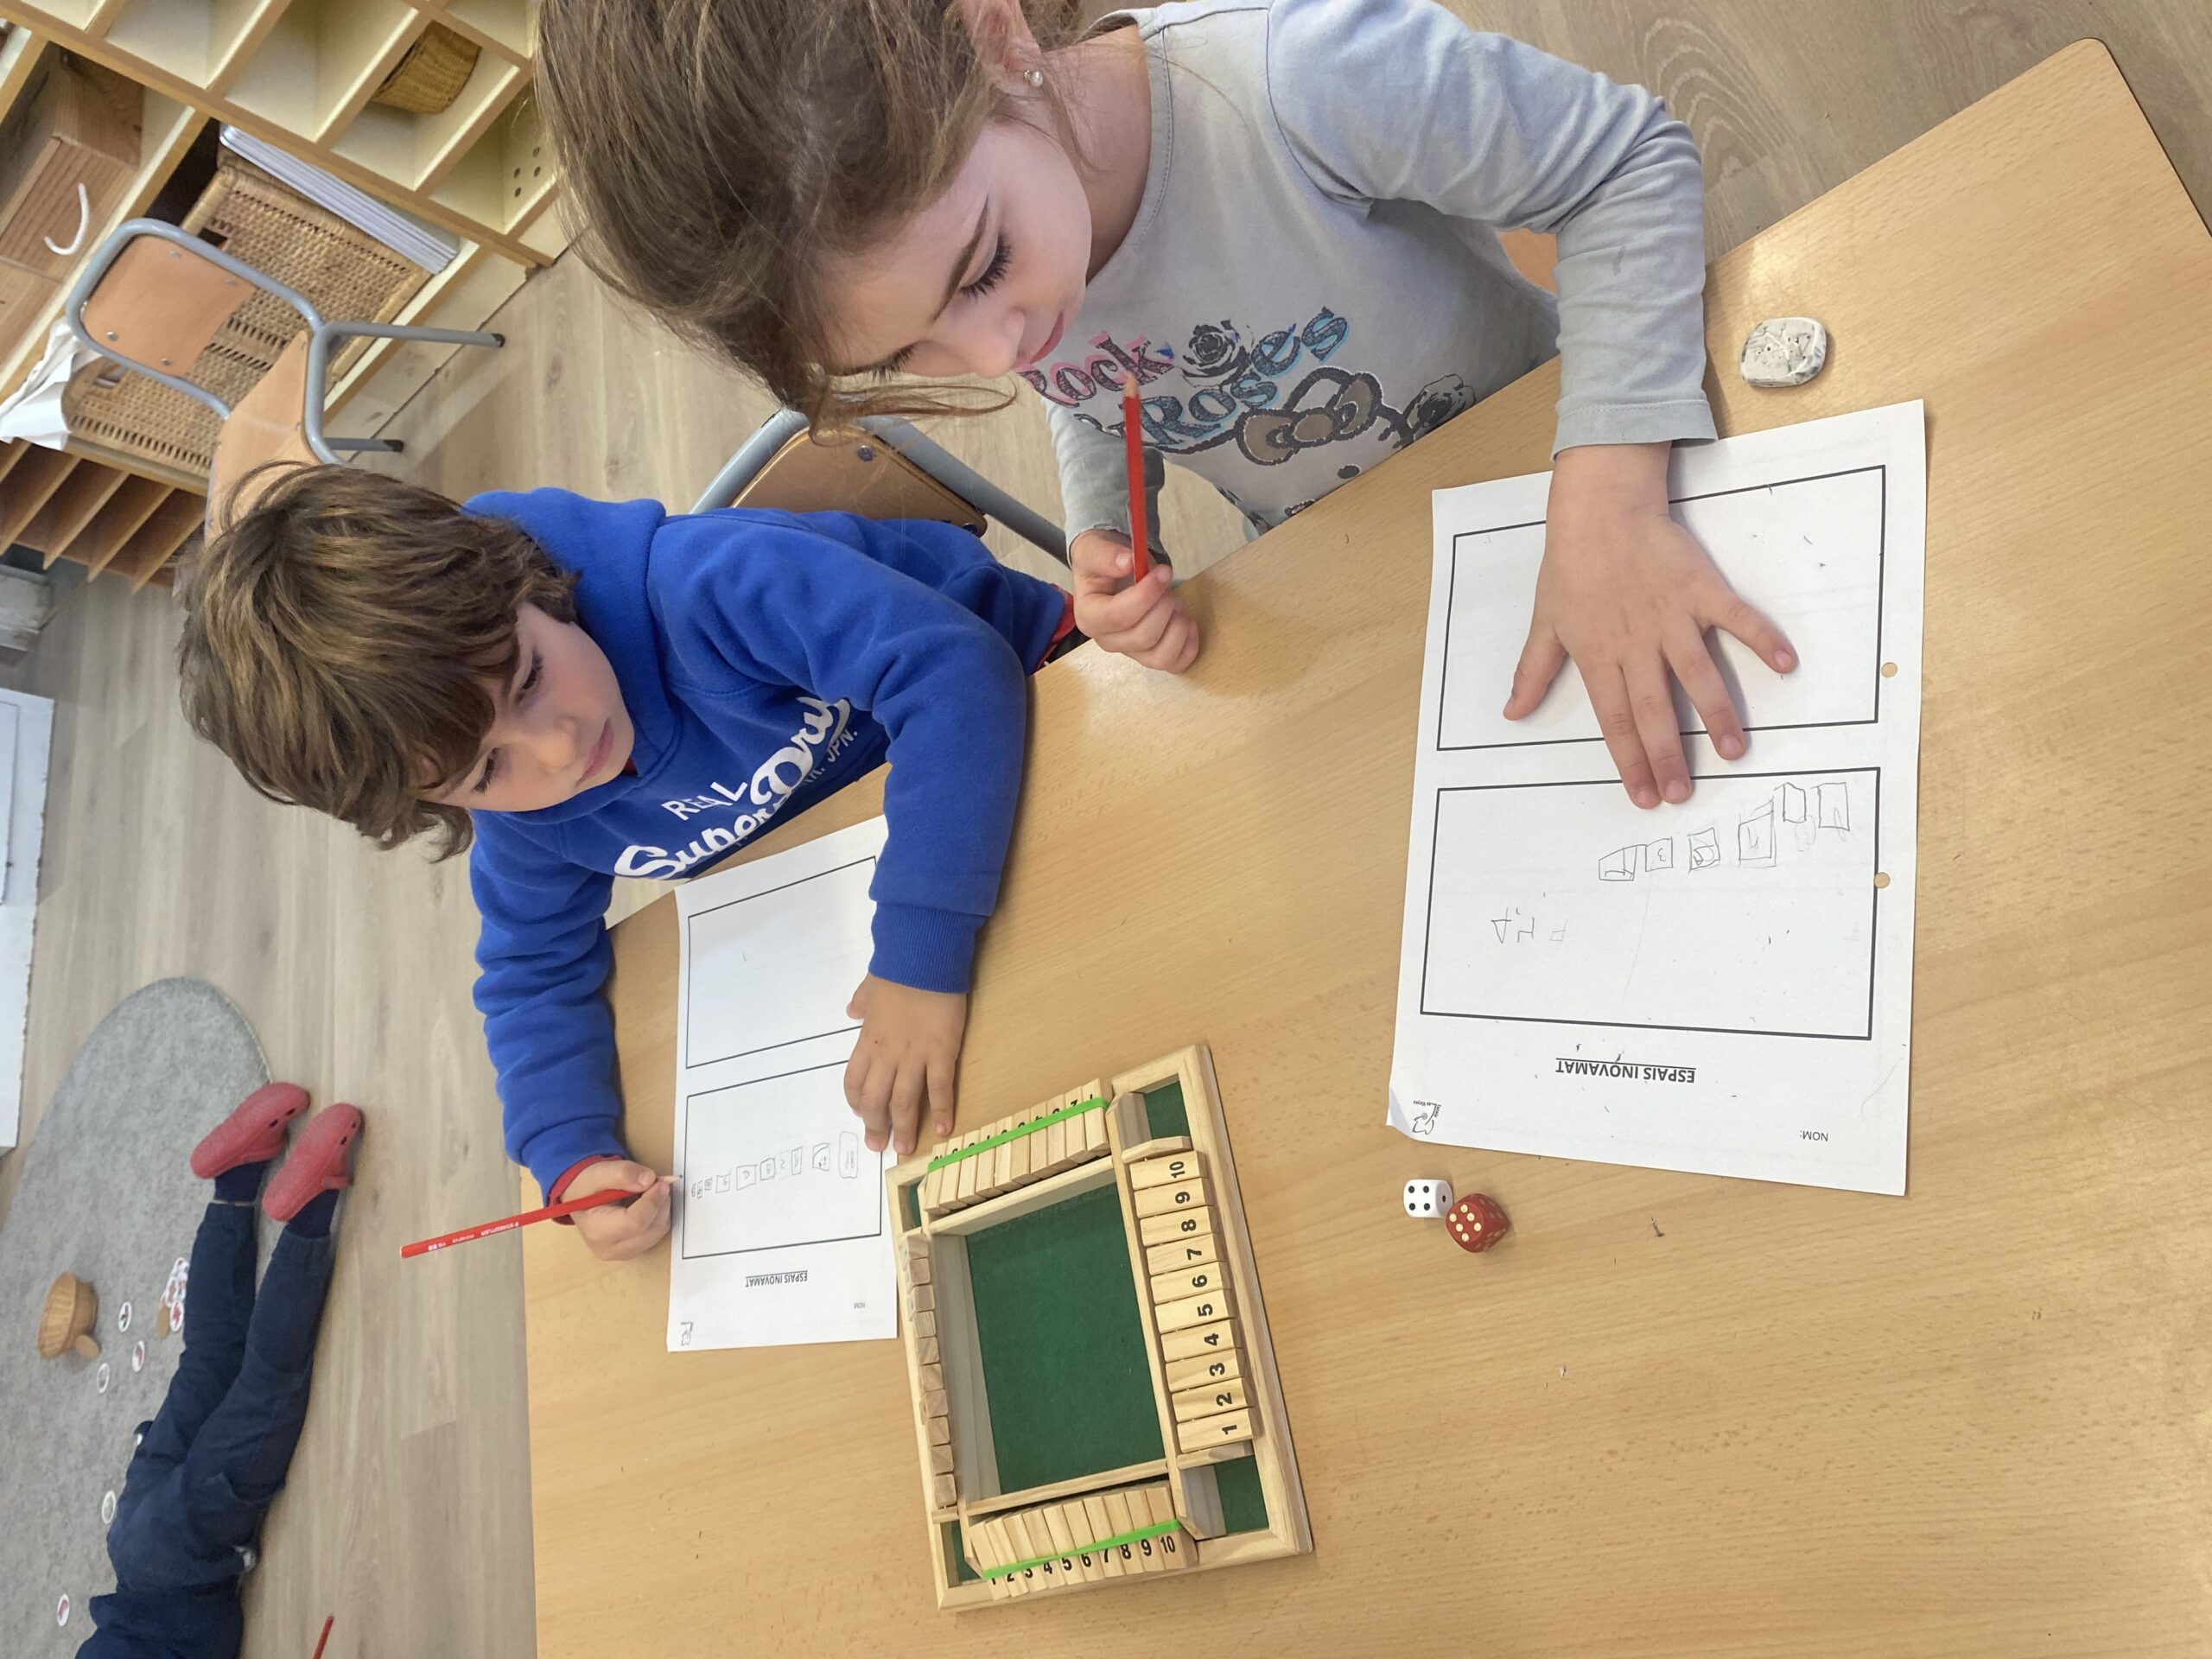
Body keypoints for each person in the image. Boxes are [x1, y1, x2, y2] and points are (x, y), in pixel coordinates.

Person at [536, 0, 1800, 810]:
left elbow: (1628, 162)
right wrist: (1102, 529)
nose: (995, 349)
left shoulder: (1300, 76)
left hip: (1588, 450)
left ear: (998, 38)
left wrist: (1608, 496)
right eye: (908, 349)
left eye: (981, 269)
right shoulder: (1014, 247)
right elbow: (1090, 378)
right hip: (1381, 570)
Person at [177, 466, 1076, 1259]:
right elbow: (532, 974)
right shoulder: (526, 822)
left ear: (524, 581)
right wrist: (570, 1157)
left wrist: (917, 957)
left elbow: (951, 674)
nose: (559, 750)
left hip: (1047, 689)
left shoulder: (709, 585)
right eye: (485, 770)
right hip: (875, 856)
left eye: (529, 678)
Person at [79, 1084, 360, 1659]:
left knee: (269, 1387)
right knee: (210, 1357)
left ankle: (312, 1207)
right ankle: (235, 1181)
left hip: (181, 1560)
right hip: (133, 1541)